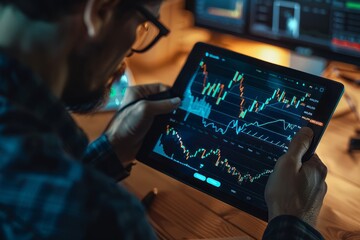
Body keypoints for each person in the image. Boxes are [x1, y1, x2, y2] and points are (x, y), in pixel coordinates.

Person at [0, 0, 327, 239]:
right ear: (98, 12)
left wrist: (111, 151)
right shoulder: (106, 217)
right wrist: (292, 221)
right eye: (145, 24)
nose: (131, 49)